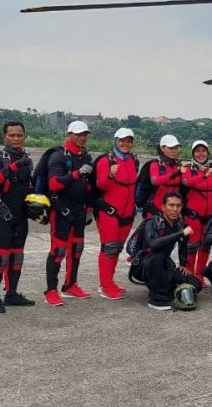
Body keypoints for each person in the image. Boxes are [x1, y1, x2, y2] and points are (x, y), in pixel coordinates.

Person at [0, 121, 35, 313]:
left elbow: (29, 186)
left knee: (16, 256)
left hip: (20, 215)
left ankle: (11, 294)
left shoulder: (27, 160)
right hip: (0, 214)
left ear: (24, 136)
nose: (15, 138)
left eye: (19, 135)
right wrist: (14, 166)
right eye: (11, 135)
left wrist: (36, 205)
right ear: (4, 137)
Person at [44, 121, 93, 306]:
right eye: (78, 134)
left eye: (85, 134)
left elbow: (88, 185)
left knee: (77, 250)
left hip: (79, 210)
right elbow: (54, 184)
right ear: (69, 134)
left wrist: (89, 207)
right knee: (58, 251)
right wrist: (76, 174)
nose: (82, 137)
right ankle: (51, 290)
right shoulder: (58, 156)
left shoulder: (85, 156)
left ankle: (70, 285)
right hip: (61, 210)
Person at [94, 127, 138, 300]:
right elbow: (100, 185)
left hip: (127, 213)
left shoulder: (132, 160)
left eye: (129, 141)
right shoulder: (106, 160)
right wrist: (110, 176)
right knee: (109, 248)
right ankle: (104, 286)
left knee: (117, 248)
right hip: (109, 212)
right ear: (116, 141)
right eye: (123, 140)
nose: (126, 144)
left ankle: (110, 282)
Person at [141, 192, 199, 311]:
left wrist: (183, 264)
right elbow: (153, 244)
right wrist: (180, 233)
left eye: (178, 206)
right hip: (144, 264)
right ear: (163, 207)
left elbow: (183, 244)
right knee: (158, 256)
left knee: (195, 285)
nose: (175, 209)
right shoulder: (152, 222)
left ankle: (166, 287)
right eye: (171, 205)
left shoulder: (179, 225)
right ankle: (157, 298)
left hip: (164, 265)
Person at [182, 140, 212, 276]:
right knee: (192, 245)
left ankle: (200, 274)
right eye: (197, 151)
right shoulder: (188, 169)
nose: (201, 154)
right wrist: (204, 174)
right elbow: (186, 182)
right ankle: (189, 274)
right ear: (193, 154)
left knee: (205, 245)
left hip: (210, 215)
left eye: (203, 151)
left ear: (208, 152)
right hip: (192, 215)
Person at [146, 135, 186, 218]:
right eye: (171, 148)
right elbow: (154, 181)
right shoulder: (156, 164)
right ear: (162, 148)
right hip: (156, 210)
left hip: (173, 212)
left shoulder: (178, 165)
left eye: (176, 148)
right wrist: (174, 175)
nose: (174, 150)